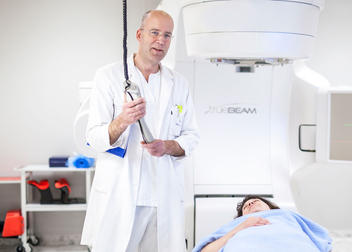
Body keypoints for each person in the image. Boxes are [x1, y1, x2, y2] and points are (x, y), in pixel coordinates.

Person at [80, 10, 199, 252]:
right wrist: (122, 121)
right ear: (139, 34)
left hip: (162, 197)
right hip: (120, 193)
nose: (160, 41)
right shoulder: (109, 76)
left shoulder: (179, 84)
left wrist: (166, 146)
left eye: (167, 35)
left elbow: (192, 136)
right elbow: (93, 137)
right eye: (154, 32)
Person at [194, 195, 332, 252]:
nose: (251, 203)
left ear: (270, 208)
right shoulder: (235, 226)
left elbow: (323, 240)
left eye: (255, 201)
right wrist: (242, 227)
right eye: (246, 206)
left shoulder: (288, 215)